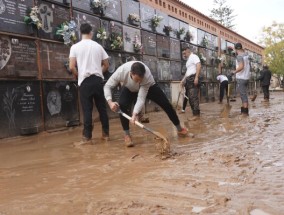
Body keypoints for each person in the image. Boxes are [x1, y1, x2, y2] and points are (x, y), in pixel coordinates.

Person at [104, 61, 189, 147]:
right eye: (137, 80)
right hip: (129, 88)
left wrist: (134, 114)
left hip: (149, 87)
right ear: (131, 73)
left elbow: (141, 98)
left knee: (166, 104)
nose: (138, 82)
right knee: (122, 105)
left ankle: (179, 129)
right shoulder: (121, 72)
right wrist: (110, 102)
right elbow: (107, 86)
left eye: (140, 80)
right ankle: (127, 135)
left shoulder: (146, 77)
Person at [69, 23, 110, 143]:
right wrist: (99, 72)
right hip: (98, 81)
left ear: (80, 33)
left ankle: (87, 137)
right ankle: (106, 135)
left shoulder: (75, 47)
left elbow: (71, 67)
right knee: (102, 108)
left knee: (87, 110)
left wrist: (78, 75)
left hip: (84, 81)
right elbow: (106, 65)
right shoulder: (98, 46)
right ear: (91, 33)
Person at [180, 47, 201, 119]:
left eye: (184, 53)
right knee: (190, 98)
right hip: (188, 80)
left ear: (188, 51)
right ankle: (194, 114)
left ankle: (196, 115)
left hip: (193, 78)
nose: (184, 55)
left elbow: (198, 65)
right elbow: (188, 72)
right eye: (183, 54)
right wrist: (183, 80)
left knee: (194, 97)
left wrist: (196, 77)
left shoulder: (194, 56)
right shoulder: (188, 61)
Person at [232, 42, 250, 116]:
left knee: (243, 95)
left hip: (241, 78)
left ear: (236, 49)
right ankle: (243, 111)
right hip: (246, 78)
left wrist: (233, 72)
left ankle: (245, 114)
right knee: (243, 94)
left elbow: (241, 66)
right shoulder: (246, 55)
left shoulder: (239, 56)